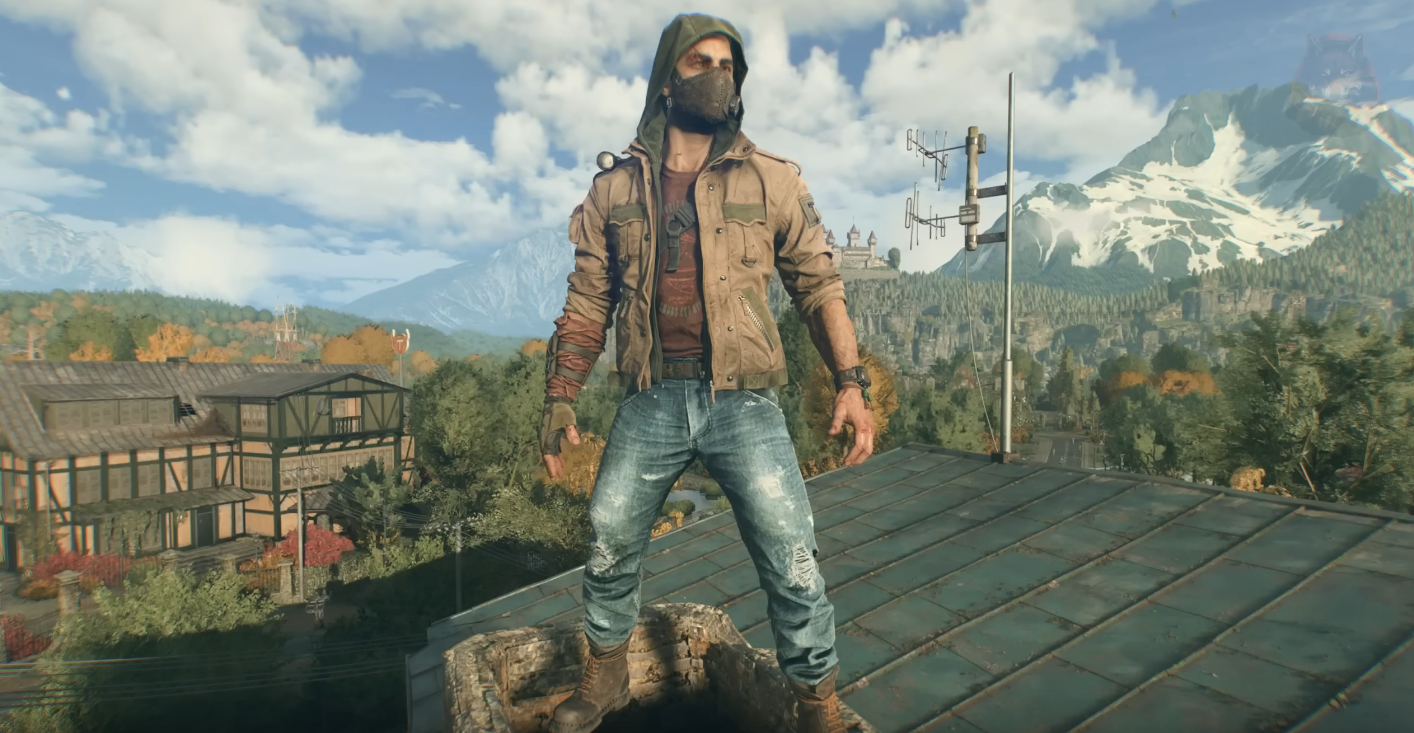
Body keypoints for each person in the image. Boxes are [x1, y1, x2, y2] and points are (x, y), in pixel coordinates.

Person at [539, 13, 875, 733]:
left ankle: (816, 703)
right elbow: (588, 301)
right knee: (608, 535)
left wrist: (851, 382)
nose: (718, 75)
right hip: (652, 395)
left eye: (729, 64)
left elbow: (818, 284)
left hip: (743, 400)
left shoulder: (773, 179)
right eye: (701, 62)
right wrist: (560, 398)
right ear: (668, 81)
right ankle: (607, 673)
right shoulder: (614, 192)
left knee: (792, 555)